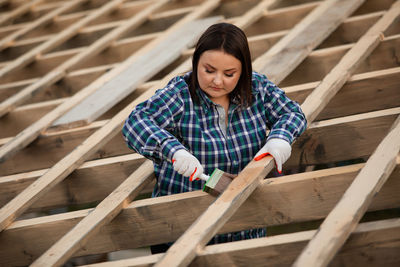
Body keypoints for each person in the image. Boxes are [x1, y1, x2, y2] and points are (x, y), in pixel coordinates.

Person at [122, 22, 307, 253]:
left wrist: (280, 138)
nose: (218, 81)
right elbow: (136, 121)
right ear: (196, 63)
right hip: (182, 233)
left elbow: (292, 112)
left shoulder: (257, 88)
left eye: (229, 74)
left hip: (244, 230)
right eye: (209, 70)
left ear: (243, 71)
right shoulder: (181, 95)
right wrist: (173, 151)